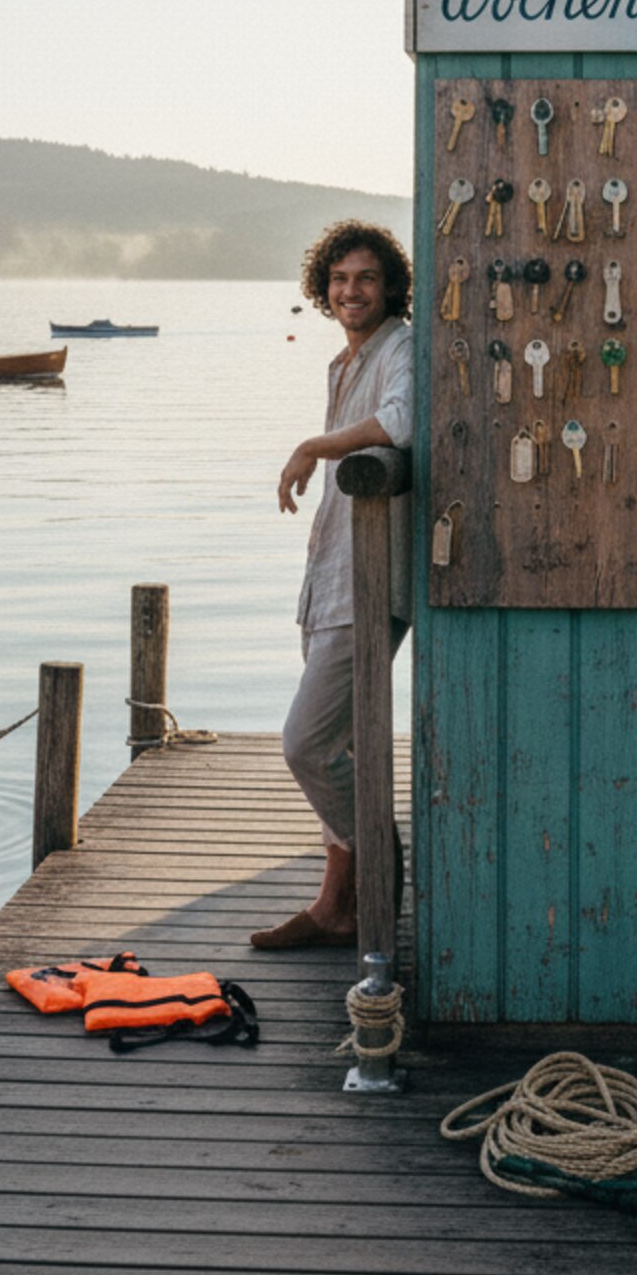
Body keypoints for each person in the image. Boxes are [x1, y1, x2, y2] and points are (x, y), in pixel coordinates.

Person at [251, 221, 415, 949]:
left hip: (372, 580)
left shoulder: (402, 347)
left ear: (390, 288)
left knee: (306, 745)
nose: (352, 291)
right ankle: (335, 904)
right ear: (324, 289)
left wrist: (316, 444)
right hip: (331, 575)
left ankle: (382, 863)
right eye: (340, 279)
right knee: (334, 744)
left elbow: (405, 423)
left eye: (366, 279)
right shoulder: (344, 363)